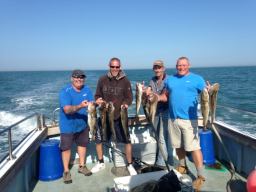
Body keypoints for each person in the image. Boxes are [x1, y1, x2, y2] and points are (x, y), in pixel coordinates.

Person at [158, 57, 208, 191]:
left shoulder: (198, 79)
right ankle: (182, 165)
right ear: (176, 66)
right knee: (178, 145)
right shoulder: (170, 80)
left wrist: (210, 90)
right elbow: (165, 96)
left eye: (184, 65)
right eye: (179, 65)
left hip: (189, 120)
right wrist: (155, 97)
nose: (181, 67)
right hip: (173, 118)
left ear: (189, 65)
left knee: (193, 147)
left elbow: (207, 94)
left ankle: (200, 176)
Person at [91, 57, 137, 175]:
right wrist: (98, 100)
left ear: (120, 67)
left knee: (127, 140)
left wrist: (126, 104)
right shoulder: (102, 79)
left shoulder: (125, 80)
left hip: (120, 117)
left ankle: (130, 164)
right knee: (99, 139)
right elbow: (97, 95)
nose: (115, 69)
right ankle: (101, 162)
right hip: (104, 116)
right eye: (113, 67)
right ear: (109, 66)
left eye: (117, 67)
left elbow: (129, 97)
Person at [59, 69, 93, 184]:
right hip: (67, 126)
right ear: (72, 79)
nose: (79, 79)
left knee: (82, 145)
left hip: (83, 124)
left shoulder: (87, 89)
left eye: (81, 77)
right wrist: (79, 106)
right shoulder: (65, 91)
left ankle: (82, 166)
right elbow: (67, 110)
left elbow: (91, 104)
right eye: (76, 77)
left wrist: (96, 103)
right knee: (66, 148)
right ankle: (66, 171)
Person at [146, 60, 173, 168]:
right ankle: (163, 158)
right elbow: (149, 91)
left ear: (163, 68)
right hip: (155, 111)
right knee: (156, 135)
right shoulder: (152, 80)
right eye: (155, 68)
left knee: (163, 137)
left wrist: (154, 95)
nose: (157, 70)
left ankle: (161, 163)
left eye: (159, 67)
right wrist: (145, 92)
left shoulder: (169, 80)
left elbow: (166, 97)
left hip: (167, 111)